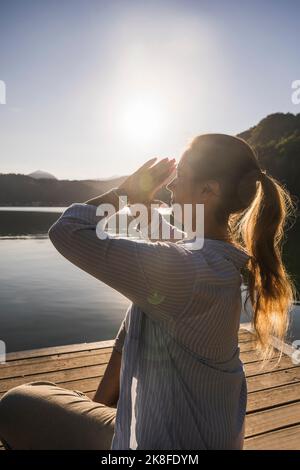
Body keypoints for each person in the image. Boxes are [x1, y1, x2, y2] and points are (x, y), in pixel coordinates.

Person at [0, 134, 296, 450]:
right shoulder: (218, 261)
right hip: (207, 439)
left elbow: (67, 230)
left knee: (16, 403)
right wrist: (140, 203)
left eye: (180, 178)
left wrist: (124, 193)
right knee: (142, 307)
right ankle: (101, 408)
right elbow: (171, 242)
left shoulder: (186, 270)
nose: (171, 187)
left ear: (208, 191)